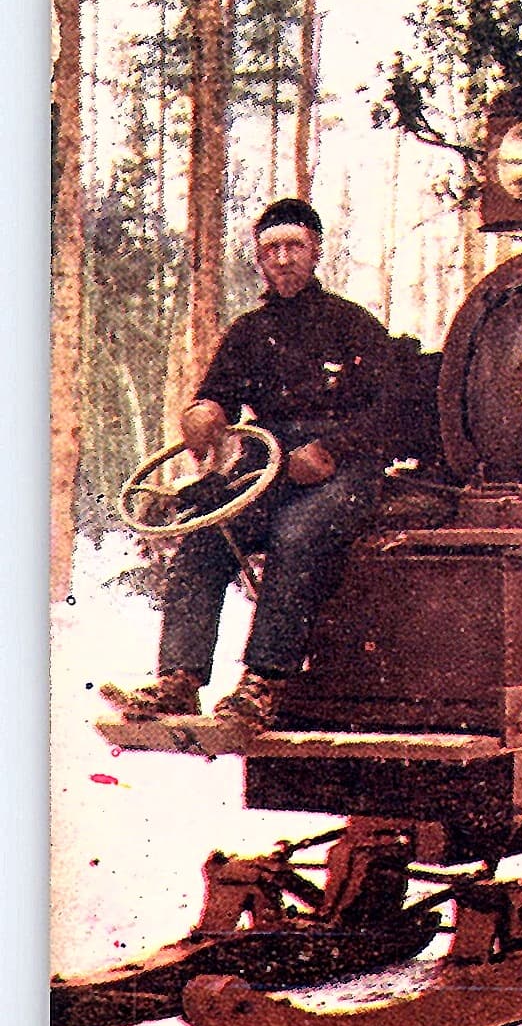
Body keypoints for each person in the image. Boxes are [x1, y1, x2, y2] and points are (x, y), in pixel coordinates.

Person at [102, 199, 399, 730]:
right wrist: (203, 414)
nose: (283, 259)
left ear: (316, 252)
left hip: (347, 472)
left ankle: (264, 683)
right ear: (259, 260)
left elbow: (392, 413)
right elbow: (217, 396)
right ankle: (179, 680)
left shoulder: (353, 326)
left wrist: (332, 449)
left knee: (298, 532)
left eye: (295, 247)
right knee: (208, 532)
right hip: (272, 464)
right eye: (271, 249)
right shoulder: (248, 332)